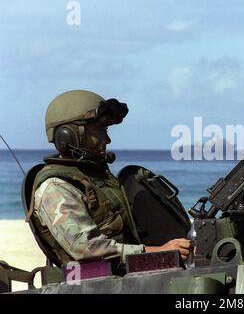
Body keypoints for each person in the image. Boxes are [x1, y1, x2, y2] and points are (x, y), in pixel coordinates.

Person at [29, 90, 192, 266]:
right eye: (99, 131)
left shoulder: (94, 178)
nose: (107, 139)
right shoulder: (56, 187)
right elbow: (86, 248)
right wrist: (156, 252)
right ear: (68, 136)